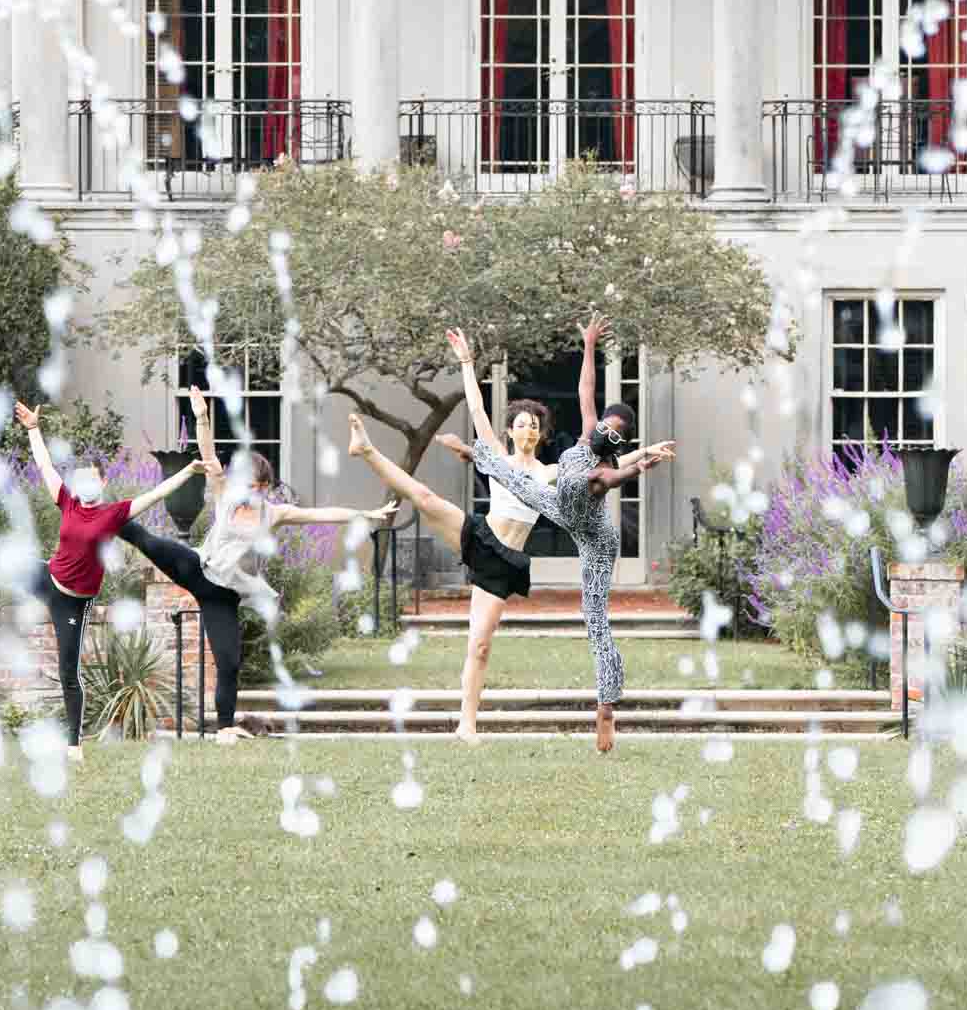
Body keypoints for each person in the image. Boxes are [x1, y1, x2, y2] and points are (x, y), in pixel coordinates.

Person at [414, 314, 672, 753]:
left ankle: (607, 705)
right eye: (608, 425)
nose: (605, 428)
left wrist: (637, 464)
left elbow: (613, 477)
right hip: (556, 508)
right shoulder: (585, 442)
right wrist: (589, 346)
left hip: (593, 537)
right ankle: (473, 453)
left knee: (595, 621)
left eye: (613, 431)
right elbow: (585, 391)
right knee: (515, 479)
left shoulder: (597, 470)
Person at [0, 400, 200, 761]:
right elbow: (44, 465)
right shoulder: (68, 502)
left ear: (104, 482)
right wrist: (33, 429)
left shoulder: (114, 515)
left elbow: (157, 494)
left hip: (73, 601)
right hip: (47, 576)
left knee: (68, 670)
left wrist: (189, 471)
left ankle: (74, 745)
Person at [125, 384, 395, 743]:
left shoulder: (274, 512)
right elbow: (207, 454)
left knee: (229, 662)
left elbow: (321, 514)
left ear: (268, 488)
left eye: (261, 488)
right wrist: (203, 417)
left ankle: (225, 728)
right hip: (199, 570)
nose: (254, 493)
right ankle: (99, 518)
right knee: (150, 540)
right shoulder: (225, 495)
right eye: (250, 486)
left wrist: (367, 513)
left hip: (223, 596)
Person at [344, 329, 554, 739]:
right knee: (423, 495)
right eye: (521, 425)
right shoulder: (498, 458)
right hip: (480, 535)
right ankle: (366, 449)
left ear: (540, 435)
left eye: (534, 426)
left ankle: (466, 724)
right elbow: (476, 409)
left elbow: (596, 473)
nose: (527, 431)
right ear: (510, 431)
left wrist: (637, 457)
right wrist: (466, 363)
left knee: (480, 646)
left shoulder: (549, 473)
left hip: (503, 563)